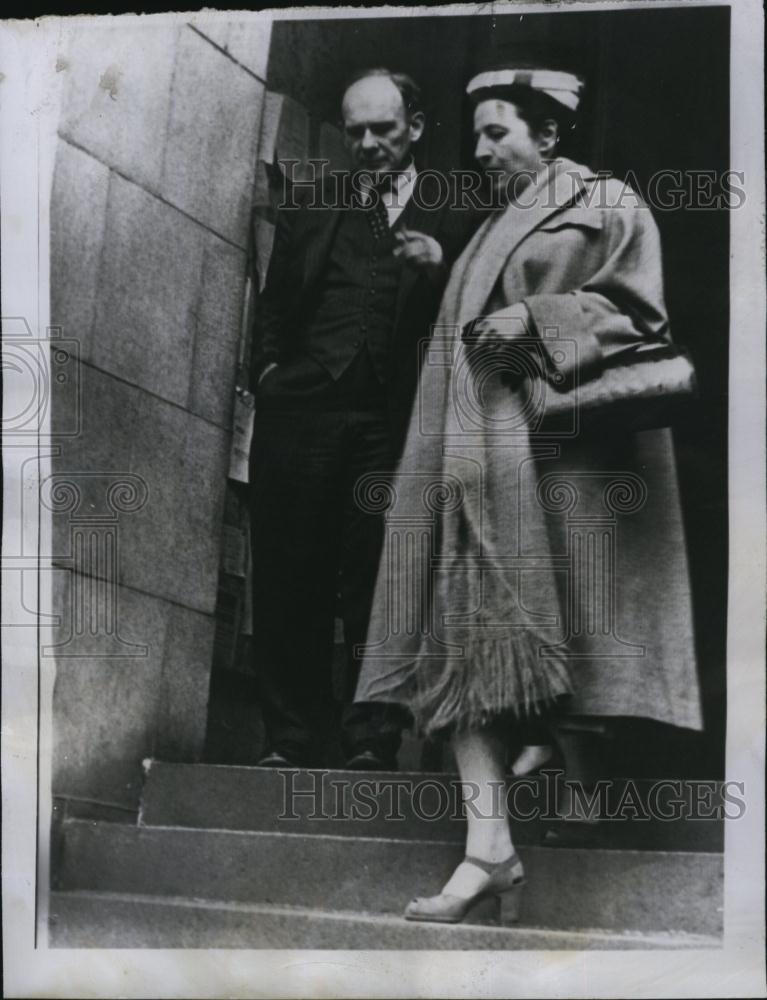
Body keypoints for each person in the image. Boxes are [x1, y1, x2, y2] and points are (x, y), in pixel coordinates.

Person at [354, 64, 702, 921]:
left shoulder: (609, 203)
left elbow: (640, 314)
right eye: (475, 133)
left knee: (578, 639)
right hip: (481, 466)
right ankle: (489, 849)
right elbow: (452, 359)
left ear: (548, 134)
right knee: (464, 642)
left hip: (572, 459)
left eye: (497, 131)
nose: (480, 149)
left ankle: (566, 793)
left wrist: (538, 322)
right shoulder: (482, 232)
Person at [249, 68, 481, 770]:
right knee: (289, 572)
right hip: (305, 411)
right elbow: (277, 307)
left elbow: (487, 310)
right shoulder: (315, 202)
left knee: (379, 576)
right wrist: (268, 378)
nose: (369, 143)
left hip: (396, 417)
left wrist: (440, 267)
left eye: (383, 129)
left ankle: (369, 738)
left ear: (414, 127)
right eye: (356, 132)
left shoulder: (457, 208)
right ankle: (291, 738)